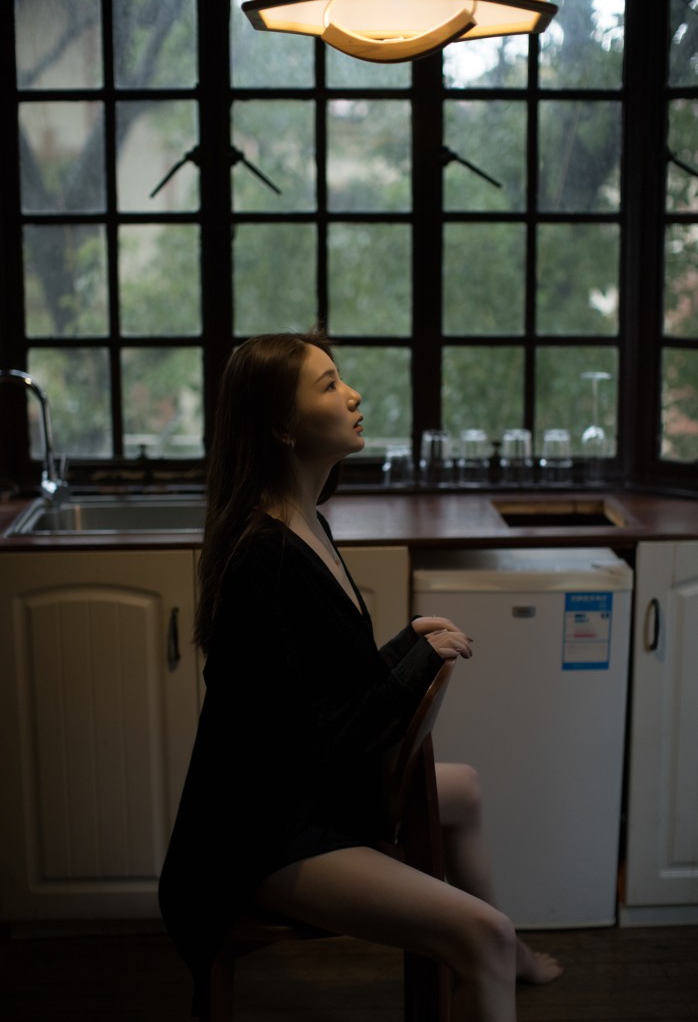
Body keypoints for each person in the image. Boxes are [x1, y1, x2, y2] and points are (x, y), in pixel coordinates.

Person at [158, 330, 562, 1021]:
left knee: (463, 789)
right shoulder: (265, 560)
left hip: (305, 801)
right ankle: (501, 953)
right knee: (485, 935)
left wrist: (406, 643)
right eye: (329, 385)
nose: (353, 395)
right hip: (263, 837)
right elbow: (308, 744)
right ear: (282, 427)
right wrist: (415, 668)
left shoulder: (307, 523)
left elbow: (326, 684)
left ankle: (509, 958)